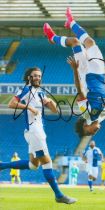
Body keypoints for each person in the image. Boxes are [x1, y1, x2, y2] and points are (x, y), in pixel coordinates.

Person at [43, 7, 105, 138]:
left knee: (75, 42)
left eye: (89, 133)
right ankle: (71, 22)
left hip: (85, 73)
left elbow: (80, 92)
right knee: (90, 42)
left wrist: (75, 70)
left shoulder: (86, 113)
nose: (93, 133)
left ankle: (52, 38)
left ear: (85, 126)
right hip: (100, 72)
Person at [0, 67, 77, 204]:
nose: (38, 78)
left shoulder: (40, 92)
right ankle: (59, 195)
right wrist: (29, 107)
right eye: (35, 76)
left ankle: (2, 165)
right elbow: (11, 103)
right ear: (29, 77)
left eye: (39, 76)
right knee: (47, 162)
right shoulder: (25, 90)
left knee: (33, 164)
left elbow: (54, 110)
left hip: (38, 131)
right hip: (34, 131)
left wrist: (52, 104)